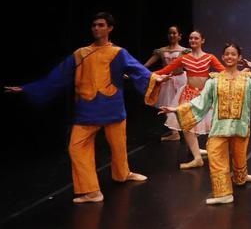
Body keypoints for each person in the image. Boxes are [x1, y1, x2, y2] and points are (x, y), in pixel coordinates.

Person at [6, 12, 151, 203]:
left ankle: (123, 174)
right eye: (94, 25)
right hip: (87, 110)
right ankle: (91, 190)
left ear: (110, 28)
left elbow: (139, 70)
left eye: (100, 25)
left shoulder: (118, 52)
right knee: (76, 147)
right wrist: (27, 88)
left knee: (118, 147)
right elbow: (57, 77)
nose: (96, 28)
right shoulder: (80, 53)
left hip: (112, 108)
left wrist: (157, 78)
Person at [159, 43, 251, 204]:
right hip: (219, 127)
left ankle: (241, 177)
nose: (230, 57)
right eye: (227, 54)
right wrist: (176, 109)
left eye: (233, 54)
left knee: (239, 158)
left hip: (240, 126)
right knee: (215, 155)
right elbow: (201, 101)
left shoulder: (247, 79)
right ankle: (223, 193)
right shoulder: (214, 80)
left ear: (239, 58)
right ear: (223, 57)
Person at [147, 30, 224, 169]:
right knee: (187, 125)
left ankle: (194, 150)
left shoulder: (209, 57)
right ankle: (197, 157)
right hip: (188, 94)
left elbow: (223, 71)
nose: (193, 40)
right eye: (191, 38)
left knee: (200, 123)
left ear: (202, 40)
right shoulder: (184, 58)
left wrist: (239, 75)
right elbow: (165, 70)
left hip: (203, 95)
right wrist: (143, 74)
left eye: (196, 38)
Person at [143, 25, 191, 141]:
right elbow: (146, 65)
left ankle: (189, 131)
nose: (172, 35)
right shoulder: (162, 51)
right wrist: (136, 71)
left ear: (179, 36)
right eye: (170, 33)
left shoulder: (184, 51)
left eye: (174, 33)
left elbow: (193, 64)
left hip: (181, 79)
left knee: (183, 105)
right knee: (168, 105)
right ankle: (175, 133)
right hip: (167, 80)